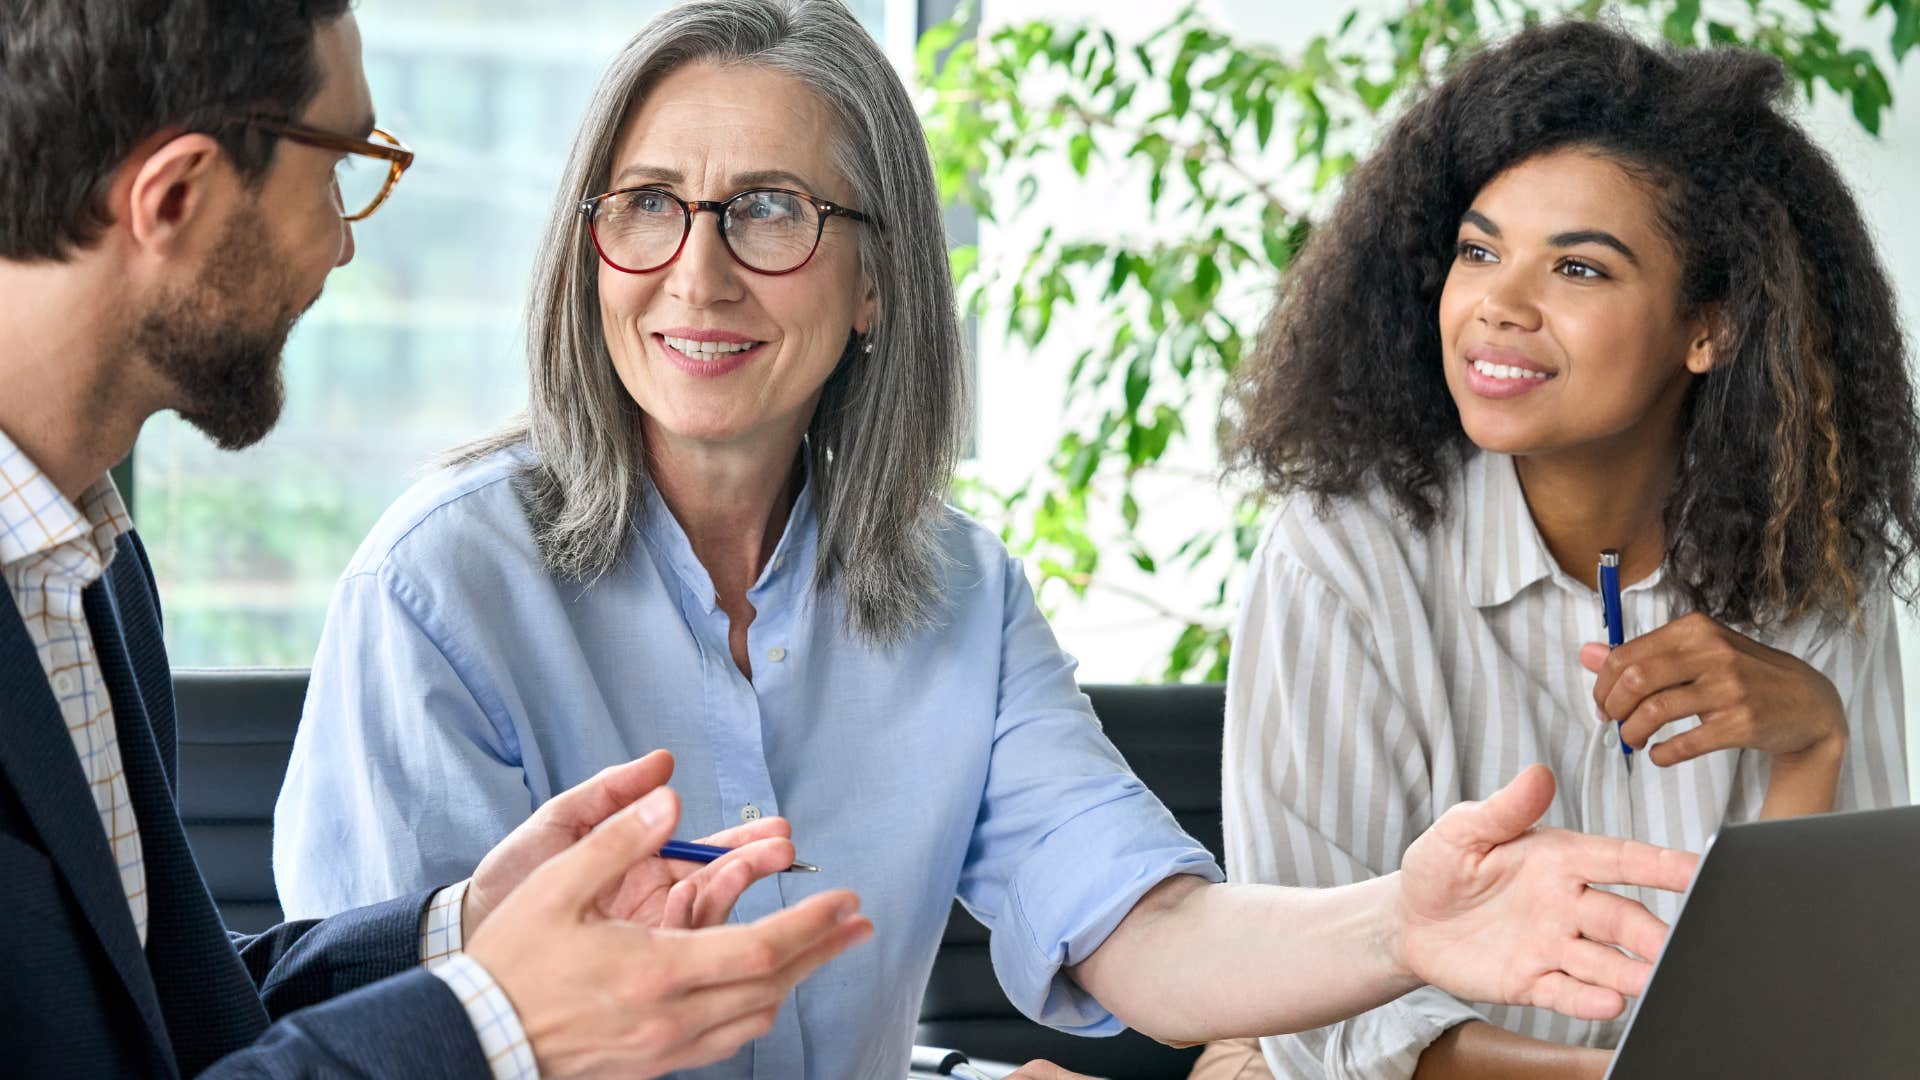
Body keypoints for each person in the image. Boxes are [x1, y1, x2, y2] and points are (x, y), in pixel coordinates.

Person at [271, 2, 1701, 1078]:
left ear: (878, 281)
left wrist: (1406, 926)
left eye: (768, 211)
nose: (695, 271)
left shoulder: (957, 592)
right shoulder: (437, 588)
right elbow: (401, 1047)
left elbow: (1142, 934)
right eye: (648, 207)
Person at [0, 3, 878, 1076]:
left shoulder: (82, 565)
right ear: (176, 196)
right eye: (336, 171)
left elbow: (163, 1021)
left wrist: (462, 932)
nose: (344, 239)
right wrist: (496, 1025)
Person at [1214, 19, 1915, 1080]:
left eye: (1579, 268)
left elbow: (1833, 1010)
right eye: (1478, 250)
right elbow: (1311, 1024)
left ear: (1710, 328)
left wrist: (1811, 740)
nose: (1498, 303)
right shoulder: (1343, 559)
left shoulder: (1805, 554)